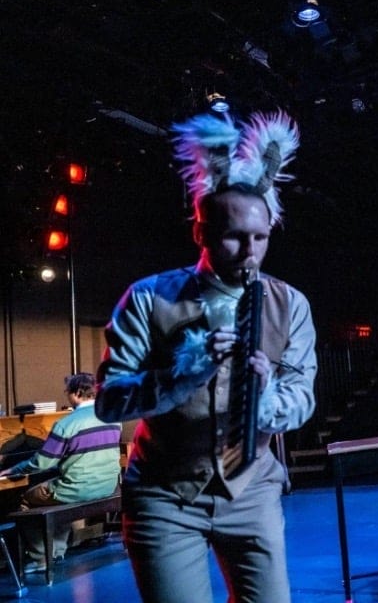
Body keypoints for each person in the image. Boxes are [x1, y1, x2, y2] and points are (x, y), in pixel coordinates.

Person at [95, 110, 318, 603]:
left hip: (252, 488)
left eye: (260, 237)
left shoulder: (290, 304)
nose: (250, 251)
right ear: (201, 233)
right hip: (165, 494)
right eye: (235, 236)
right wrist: (180, 377)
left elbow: (302, 397)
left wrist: (268, 398)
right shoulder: (150, 298)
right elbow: (110, 401)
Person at [0, 372, 121, 574]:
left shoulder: (66, 424)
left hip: (78, 490)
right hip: (108, 485)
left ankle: (41, 559)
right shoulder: (112, 416)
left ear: (75, 393)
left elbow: (42, 462)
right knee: (59, 493)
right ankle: (58, 551)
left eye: (67, 392)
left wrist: (13, 469)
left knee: (26, 500)